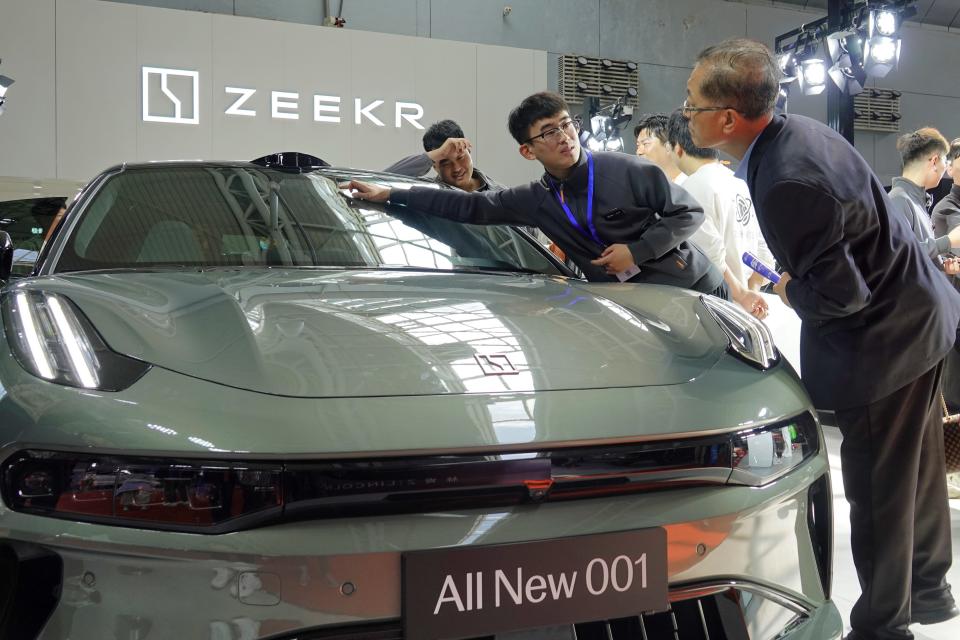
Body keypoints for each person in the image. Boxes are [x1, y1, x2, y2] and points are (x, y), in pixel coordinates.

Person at [685, 38, 960, 639]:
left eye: (691, 106)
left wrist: (787, 290)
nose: (685, 115)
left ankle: (884, 627)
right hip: (921, 316)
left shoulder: (786, 178)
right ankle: (930, 591)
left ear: (727, 117)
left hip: (884, 340)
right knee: (916, 471)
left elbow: (842, 295)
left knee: (881, 491)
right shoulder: (799, 133)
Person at [348, 91, 724, 294]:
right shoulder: (533, 199)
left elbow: (688, 213)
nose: (563, 137)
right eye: (548, 132)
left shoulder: (625, 168)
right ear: (527, 151)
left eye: (566, 125)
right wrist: (392, 194)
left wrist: (637, 251)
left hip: (691, 287)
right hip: (631, 301)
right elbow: (466, 206)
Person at [665, 109, 771, 319]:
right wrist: (751, 293)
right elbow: (763, 249)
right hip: (747, 309)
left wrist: (741, 295)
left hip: (715, 307)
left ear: (677, 148)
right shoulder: (739, 182)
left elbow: (709, 254)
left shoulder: (692, 187)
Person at [932, 137, 960, 499]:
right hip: (955, 311)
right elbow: (942, 261)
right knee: (954, 393)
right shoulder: (945, 209)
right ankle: (953, 469)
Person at [889, 127, 960, 266]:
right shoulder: (899, 200)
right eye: (945, 161)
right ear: (934, 162)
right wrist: (948, 241)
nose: (945, 168)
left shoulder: (914, 201)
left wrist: (942, 264)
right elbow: (898, 255)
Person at [384, 119, 504, 193]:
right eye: (445, 162)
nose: (457, 168)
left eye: (460, 157)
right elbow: (382, 181)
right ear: (434, 166)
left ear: (469, 151)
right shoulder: (427, 193)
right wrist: (439, 153)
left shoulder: (500, 194)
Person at [634, 113, 687, 184]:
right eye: (638, 145)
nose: (638, 152)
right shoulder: (646, 187)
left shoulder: (689, 186)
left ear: (669, 146)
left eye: (645, 144)